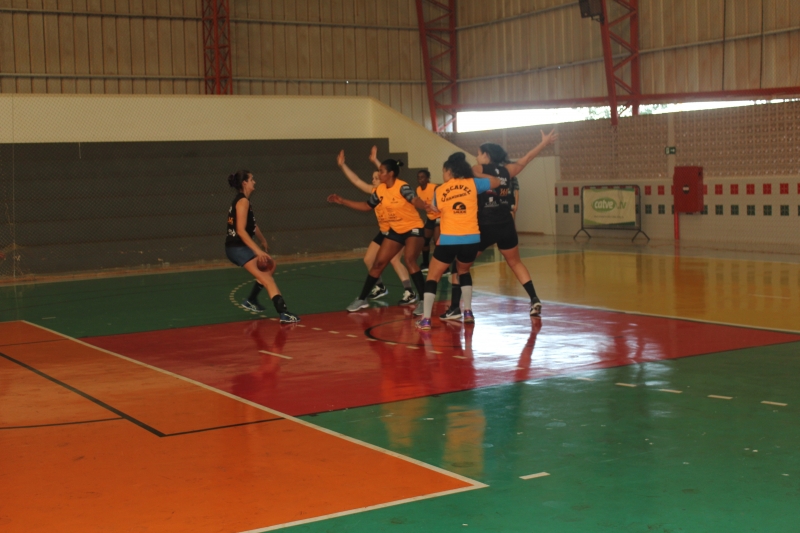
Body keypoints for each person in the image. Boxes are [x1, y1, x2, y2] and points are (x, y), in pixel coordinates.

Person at [440, 129, 558, 319]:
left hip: (485, 226)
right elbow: (527, 158)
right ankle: (534, 299)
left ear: (486, 155)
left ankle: (454, 307)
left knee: (460, 266)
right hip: (506, 224)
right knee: (515, 262)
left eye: (479, 154)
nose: (476, 157)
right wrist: (544, 143)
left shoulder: (478, 170)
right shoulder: (507, 171)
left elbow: (463, 174)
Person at [328, 158, 433, 312]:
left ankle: (424, 301)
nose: (379, 173)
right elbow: (366, 206)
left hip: (413, 228)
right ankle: (362, 299)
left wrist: (424, 205)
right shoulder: (380, 190)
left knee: (409, 260)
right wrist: (343, 201)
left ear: (390, 173)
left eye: (381, 171)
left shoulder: (402, 187)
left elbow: (414, 199)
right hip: (395, 230)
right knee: (378, 263)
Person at [416, 152, 500, 329]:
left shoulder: (440, 190)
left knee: (432, 277)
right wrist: (476, 173)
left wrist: (432, 208)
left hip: (449, 240)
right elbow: (496, 182)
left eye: (443, 171)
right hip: (472, 240)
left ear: (449, 171)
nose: (443, 175)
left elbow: (436, 210)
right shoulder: (473, 183)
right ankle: (468, 311)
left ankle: (426, 319)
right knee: (463, 271)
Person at [225, 170, 300, 323]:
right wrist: (258, 251)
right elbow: (240, 230)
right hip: (237, 248)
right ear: (244, 183)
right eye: (252, 179)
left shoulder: (244, 201)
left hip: (239, 247)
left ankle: (251, 300)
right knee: (267, 278)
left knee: (271, 265)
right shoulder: (242, 202)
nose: (254, 182)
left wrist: (262, 240)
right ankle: (284, 313)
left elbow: (252, 225)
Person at [415, 169, 438, 273]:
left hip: (439, 217)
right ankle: (425, 264)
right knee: (424, 241)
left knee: (438, 242)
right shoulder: (418, 190)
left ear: (428, 178)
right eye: (419, 177)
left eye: (423, 177)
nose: (420, 179)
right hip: (430, 218)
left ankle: (444, 267)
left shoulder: (434, 187)